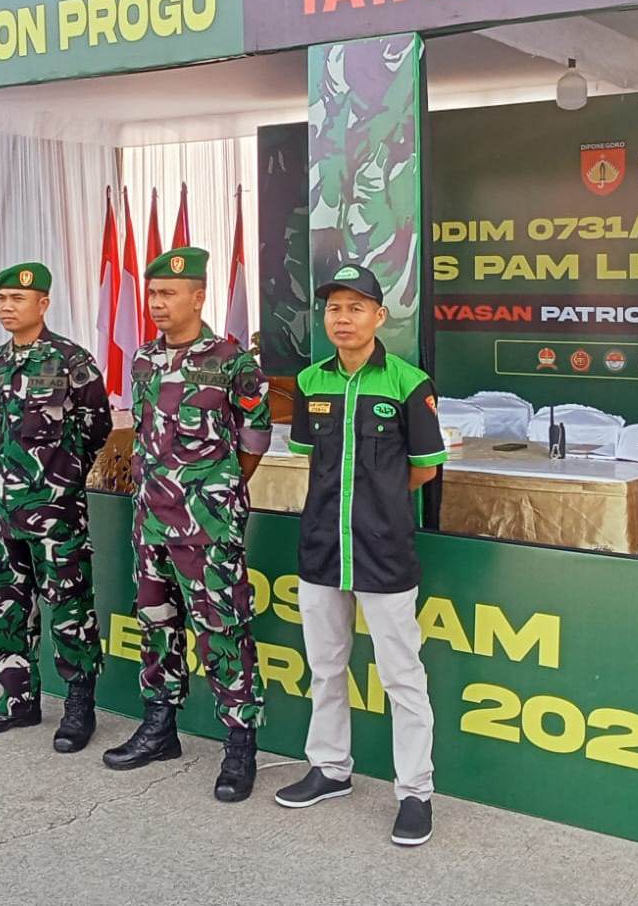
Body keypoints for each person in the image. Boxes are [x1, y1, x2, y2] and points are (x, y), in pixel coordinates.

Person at [274, 263, 447, 848]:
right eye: (333, 308)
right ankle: (329, 768)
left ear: (379, 316)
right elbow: (311, 458)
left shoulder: (408, 383)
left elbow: (423, 468)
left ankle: (415, 792)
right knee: (325, 668)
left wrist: (379, 504)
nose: (342, 318)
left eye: (355, 308)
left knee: (402, 675)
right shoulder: (310, 381)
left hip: (383, 550)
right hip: (322, 548)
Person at [102, 246, 271, 802]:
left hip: (207, 525)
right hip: (151, 520)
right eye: (153, 293)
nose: (157, 303)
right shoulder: (145, 359)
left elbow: (256, 437)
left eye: (169, 293)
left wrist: (216, 489)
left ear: (198, 297)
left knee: (223, 628)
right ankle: (160, 727)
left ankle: (240, 744)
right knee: (156, 623)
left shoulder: (232, 361)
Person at [0, 263, 113, 751]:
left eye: (18, 299)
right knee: (9, 605)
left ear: (43, 304)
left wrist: (62, 474)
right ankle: (18, 699)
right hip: (5, 509)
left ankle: (79, 705)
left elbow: (97, 426)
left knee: (70, 606)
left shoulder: (71, 360)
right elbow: (1, 429)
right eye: (2, 298)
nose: (7, 307)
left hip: (56, 511)